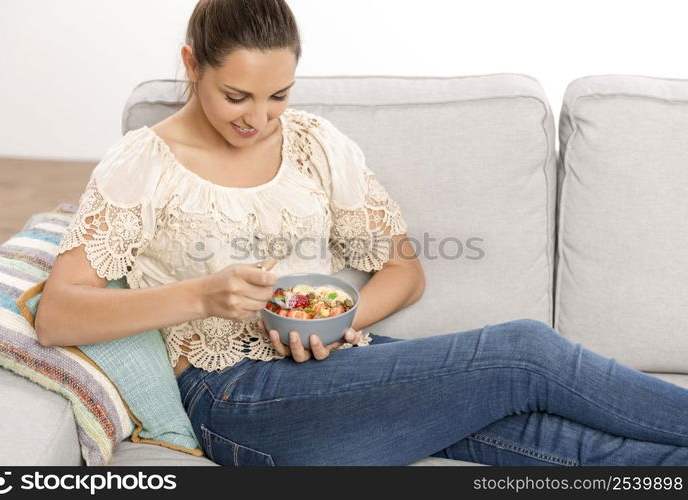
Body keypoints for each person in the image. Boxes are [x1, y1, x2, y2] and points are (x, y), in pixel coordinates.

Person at [36, 0, 688, 466]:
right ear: (191, 65)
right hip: (236, 396)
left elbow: (404, 270)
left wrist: (343, 320)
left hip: (341, 364)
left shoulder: (316, 144)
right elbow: (58, 315)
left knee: (550, 437)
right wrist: (201, 297)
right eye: (237, 96)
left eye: (278, 95)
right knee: (525, 352)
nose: (258, 118)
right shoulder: (141, 161)